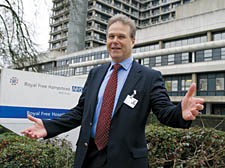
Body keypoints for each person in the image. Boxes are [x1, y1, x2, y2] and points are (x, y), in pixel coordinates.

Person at [21, 14, 204, 168]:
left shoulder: (149, 77)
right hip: (88, 156)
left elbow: (165, 113)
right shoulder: (96, 73)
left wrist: (180, 111)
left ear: (132, 41)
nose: (115, 41)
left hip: (127, 161)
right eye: (111, 36)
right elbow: (80, 112)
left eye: (121, 37)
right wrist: (49, 126)